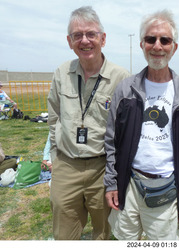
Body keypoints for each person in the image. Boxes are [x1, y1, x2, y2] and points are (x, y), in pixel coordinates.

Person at [104, 10, 179, 240]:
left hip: (166, 189)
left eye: (164, 40)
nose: (157, 46)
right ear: (142, 44)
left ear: (174, 47)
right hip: (127, 186)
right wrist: (111, 183)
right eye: (151, 39)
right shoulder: (125, 89)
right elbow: (111, 141)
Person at [47, 6, 130, 240]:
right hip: (66, 165)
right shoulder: (61, 74)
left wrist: (118, 173)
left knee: (104, 233)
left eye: (91, 34)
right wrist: (55, 156)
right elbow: (53, 118)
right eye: (77, 35)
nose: (85, 40)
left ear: (103, 39)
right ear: (69, 41)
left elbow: (127, 132)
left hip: (103, 169)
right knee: (64, 234)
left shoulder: (120, 78)